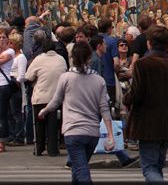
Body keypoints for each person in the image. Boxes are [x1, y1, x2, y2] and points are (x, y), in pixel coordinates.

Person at [124, 25, 168, 182]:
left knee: (149, 167)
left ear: (149, 43)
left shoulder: (143, 64)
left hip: (147, 124)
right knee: (157, 166)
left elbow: (137, 94)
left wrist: (126, 99)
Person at [39, 41, 117, 183]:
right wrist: (110, 135)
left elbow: (56, 101)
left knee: (81, 170)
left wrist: (44, 110)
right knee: (78, 167)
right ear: (89, 58)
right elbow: (104, 108)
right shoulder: (99, 80)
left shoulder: (66, 77)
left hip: (73, 130)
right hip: (92, 132)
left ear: (72, 57)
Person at [26, 30, 66, 157]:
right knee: (53, 124)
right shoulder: (61, 59)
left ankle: (39, 148)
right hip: (57, 97)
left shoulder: (38, 59)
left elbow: (29, 76)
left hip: (41, 96)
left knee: (39, 123)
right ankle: (53, 149)